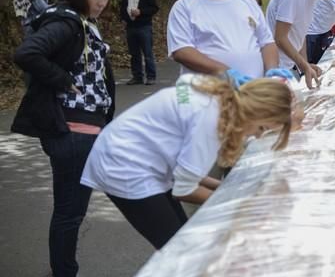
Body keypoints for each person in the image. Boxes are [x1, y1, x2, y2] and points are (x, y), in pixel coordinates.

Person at [80, 74, 293, 249]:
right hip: (123, 165)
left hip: (130, 151)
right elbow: (183, 189)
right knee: (177, 249)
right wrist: (239, 204)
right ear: (256, 110)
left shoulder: (215, 92)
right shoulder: (211, 122)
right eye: (262, 128)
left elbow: (187, 173)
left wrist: (226, 188)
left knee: (182, 238)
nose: (256, 136)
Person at [11, 0, 116, 277]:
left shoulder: (81, 21)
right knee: (70, 215)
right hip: (72, 132)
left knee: (70, 213)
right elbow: (28, 53)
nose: (102, 2)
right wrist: (61, 80)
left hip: (83, 131)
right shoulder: (67, 23)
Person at [119, 0, 159, 85]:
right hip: (130, 26)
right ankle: (137, 76)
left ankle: (151, 76)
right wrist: (123, 18)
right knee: (134, 53)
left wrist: (141, 12)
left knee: (147, 52)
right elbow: (122, 6)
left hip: (144, 26)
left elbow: (154, 8)